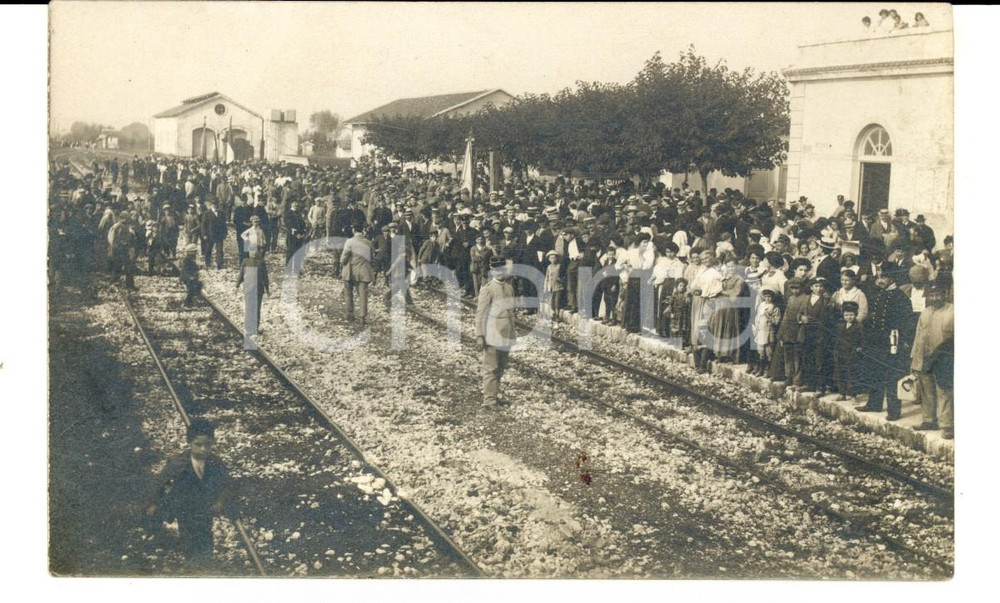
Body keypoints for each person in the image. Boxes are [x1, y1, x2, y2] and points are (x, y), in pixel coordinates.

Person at [145, 418, 230, 564]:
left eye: (207, 445)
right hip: (184, 506)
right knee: (188, 536)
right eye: (198, 445)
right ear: (189, 443)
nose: (203, 449)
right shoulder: (178, 462)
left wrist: (220, 502)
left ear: (213, 443)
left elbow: (226, 484)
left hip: (205, 507)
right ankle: (192, 562)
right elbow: (159, 482)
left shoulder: (215, 462)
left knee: (205, 535)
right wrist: (153, 503)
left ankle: (205, 562)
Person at [855, 270, 910, 420]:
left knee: (892, 376)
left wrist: (901, 340)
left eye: (884, 277)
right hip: (877, 340)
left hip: (892, 340)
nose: (880, 280)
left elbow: (906, 322)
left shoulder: (900, 297)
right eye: (879, 277)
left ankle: (894, 411)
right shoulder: (879, 294)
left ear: (892, 278)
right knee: (875, 371)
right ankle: (874, 404)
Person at [910, 281, 955, 437]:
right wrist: (914, 358)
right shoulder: (925, 312)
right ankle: (929, 420)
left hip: (944, 359)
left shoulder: (953, 311)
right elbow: (918, 335)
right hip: (924, 357)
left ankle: (947, 425)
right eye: (932, 295)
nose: (935, 297)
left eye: (938, 294)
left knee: (944, 392)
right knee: (926, 390)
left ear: (945, 294)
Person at [475, 255, 517, 409]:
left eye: (502, 269)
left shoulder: (509, 288)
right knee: (491, 368)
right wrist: (480, 335)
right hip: (492, 335)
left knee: (501, 367)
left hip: (506, 335)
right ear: (491, 271)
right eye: (496, 269)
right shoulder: (487, 289)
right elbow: (481, 314)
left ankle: (495, 395)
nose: (499, 272)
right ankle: (489, 401)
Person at [341, 225, 374, 325]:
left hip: (350, 271)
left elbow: (343, 258)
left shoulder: (349, 241)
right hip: (364, 271)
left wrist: (343, 263)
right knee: (363, 294)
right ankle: (362, 316)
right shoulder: (369, 242)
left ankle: (349, 314)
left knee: (348, 292)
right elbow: (371, 258)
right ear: (363, 231)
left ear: (353, 230)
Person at [833, 301, 864, 400]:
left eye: (851, 315)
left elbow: (862, 340)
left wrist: (860, 347)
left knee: (852, 374)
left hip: (852, 353)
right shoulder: (840, 326)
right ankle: (842, 393)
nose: (849, 317)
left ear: (855, 315)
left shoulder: (859, 327)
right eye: (846, 315)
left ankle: (853, 394)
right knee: (841, 372)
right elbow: (837, 339)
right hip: (841, 353)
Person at [750, 286, 781, 376]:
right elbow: (757, 318)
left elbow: (776, 321)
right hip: (760, 332)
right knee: (761, 352)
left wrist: (769, 316)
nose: (767, 299)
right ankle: (761, 369)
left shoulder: (774, 308)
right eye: (765, 296)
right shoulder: (761, 305)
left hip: (769, 332)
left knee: (769, 352)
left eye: (769, 297)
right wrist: (756, 327)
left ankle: (768, 371)